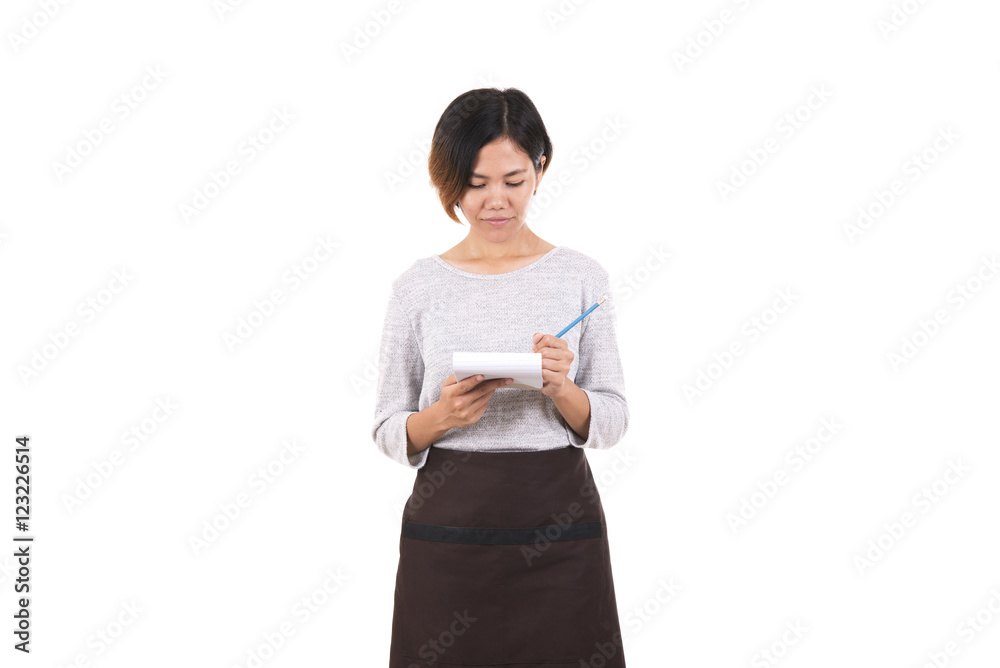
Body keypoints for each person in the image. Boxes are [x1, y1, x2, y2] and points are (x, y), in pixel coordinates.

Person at [371, 87, 629, 667]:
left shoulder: (581, 278)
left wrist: (563, 389)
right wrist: (442, 417)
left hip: (561, 531)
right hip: (449, 533)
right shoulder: (417, 288)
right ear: (447, 180)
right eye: (475, 182)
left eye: (513, 181)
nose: (495, 202)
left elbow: (612, 420)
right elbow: (387, 426)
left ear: (540, 168)